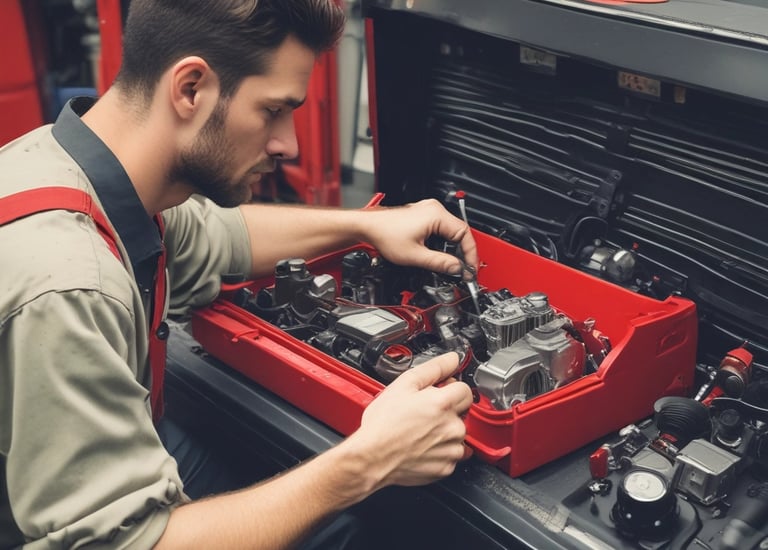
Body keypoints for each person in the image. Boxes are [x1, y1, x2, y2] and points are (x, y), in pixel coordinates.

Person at [0, 0, 478, 548]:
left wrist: (372, 225)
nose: (288, 143)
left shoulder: (70, 166)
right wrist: (367, 461)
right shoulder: (68, 284)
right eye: (273, 110)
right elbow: (127, 543)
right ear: (191, 89)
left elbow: (221, 235)